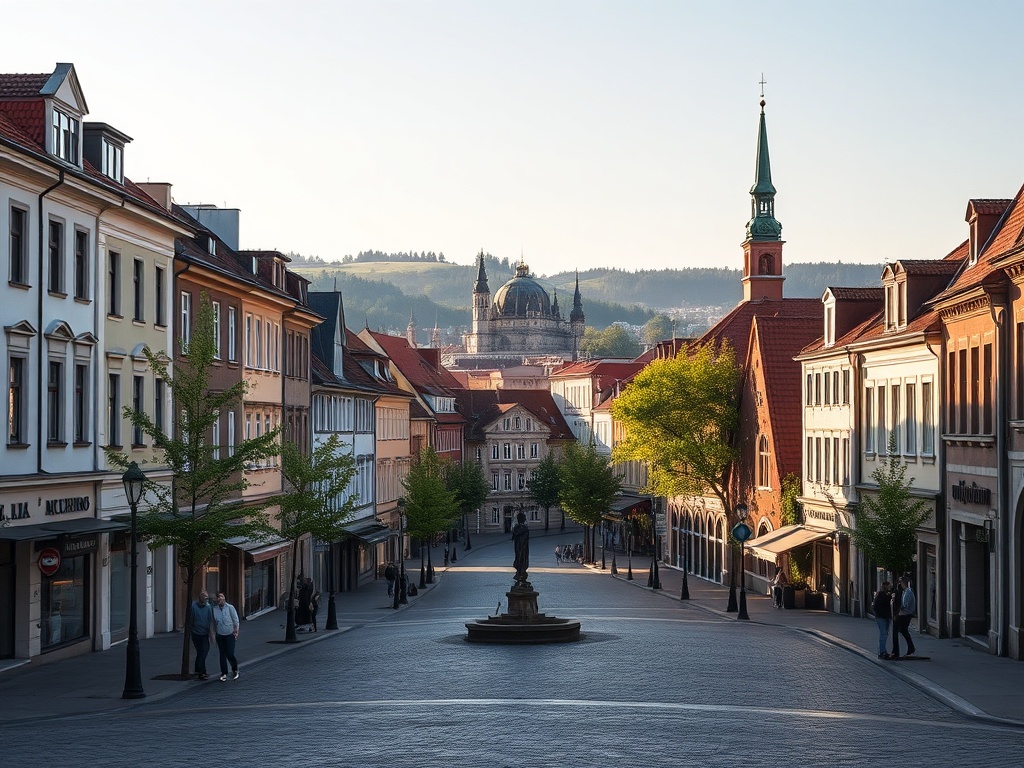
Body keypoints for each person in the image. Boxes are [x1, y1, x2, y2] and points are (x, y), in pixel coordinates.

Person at [213, 592, 240, 681]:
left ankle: (235, 669)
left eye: (221, 597)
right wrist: (213, 635)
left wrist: (236, 632)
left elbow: (235, 620)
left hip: (230, 634)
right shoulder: (215, 609)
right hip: (220, 635)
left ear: (224, 598)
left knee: (230, 653)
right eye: (218, 597)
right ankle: (224, 673)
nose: (219, 599)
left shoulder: (230, 608)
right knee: (222, 655)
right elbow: (214, 623)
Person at [189, 590, 215, 680]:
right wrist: (191, 630)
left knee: (202, 652)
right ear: (200, 598)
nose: (206, 599)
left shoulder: (208, 607)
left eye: (207, 598)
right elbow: (190, 619)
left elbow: (210, 620)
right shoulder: (193, 606)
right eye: (204, 597)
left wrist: (212, 634)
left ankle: (197, 669)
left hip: (204, 633)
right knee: (202, 652)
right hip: (196, 633)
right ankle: (202, 673)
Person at [892, 574, 917, 658]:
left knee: (898, 630)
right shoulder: (905, 592)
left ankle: (898, 651)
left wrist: (896, 605)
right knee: (903, 630)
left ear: (904, 583)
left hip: (905, 615)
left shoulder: (908, 592)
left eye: (901, 582)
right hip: (904, 614)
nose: (900, 584)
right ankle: (911, 648)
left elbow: (905, 606)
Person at [872, 581, 893, 659]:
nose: (890, 588)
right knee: (884, 633)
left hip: (883, 617)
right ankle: (882, 652)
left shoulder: (881, 594)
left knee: (884, 633)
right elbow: (876, 606)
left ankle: (883, 651)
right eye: (889, 586)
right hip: (882, 617)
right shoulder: (882, 595)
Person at [512, 511, 530, 585]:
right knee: (523, 560)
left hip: (517, 548)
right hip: (523, 548)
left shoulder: (516, 528)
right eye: (525, 517)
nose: (526, 518)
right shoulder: (524, 528)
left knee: (518, 559)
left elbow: (513, 538)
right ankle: (521, 575)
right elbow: (524, 540)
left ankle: (519, 573)